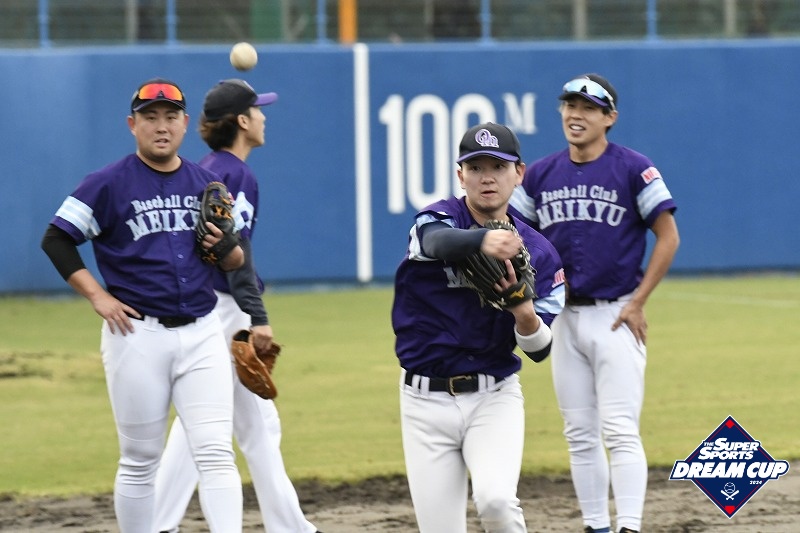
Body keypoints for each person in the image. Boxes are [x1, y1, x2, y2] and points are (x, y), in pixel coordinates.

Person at [40, 78, 245, 532]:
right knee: (139, 460)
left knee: (216, 452)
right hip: (136, 335)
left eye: (170, 117)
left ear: (185, 124)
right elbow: (56, 238)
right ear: (132, 125)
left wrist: (226, 246)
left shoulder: (205, 183)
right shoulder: (107, 184)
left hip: (202, 331)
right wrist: (97, 295)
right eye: (150, 117)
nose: (161, 126)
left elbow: (234, 260)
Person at [509, 73, 680, 533]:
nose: (575, 114)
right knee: (579, 433)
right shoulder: (540, 174)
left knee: (620, 429)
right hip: (563, 317)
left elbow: (668, 236)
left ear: (609, 118)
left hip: (616, 314)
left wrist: (639, 302)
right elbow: (515, 237)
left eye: (588, 108)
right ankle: (596, 525)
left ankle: (629, 526)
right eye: (570, 105)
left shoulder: (634, 168)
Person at [153, 79, 321, 533]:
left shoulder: (206, 168)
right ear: (243, 122)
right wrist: (257, 316)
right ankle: (158, 522)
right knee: (214, 423)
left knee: (252, 425)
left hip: (208, 304)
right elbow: (235, 252)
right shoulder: (235, 174)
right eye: (258, 110)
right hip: (226, 309)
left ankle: (289, 526)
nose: (264, 117)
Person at [392, 122, 566, 532]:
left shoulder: (539, 253)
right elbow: (435, 243)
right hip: (423, 402)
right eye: (476, 168)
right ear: (461, 175)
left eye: (498, 167)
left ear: (518, 173)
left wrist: (522, 310)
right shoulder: (437, 219)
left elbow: (540, 349)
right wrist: (481, 242)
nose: (487, 177)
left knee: (496, 503)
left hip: (493, 398)